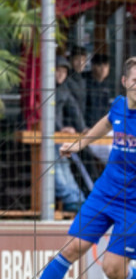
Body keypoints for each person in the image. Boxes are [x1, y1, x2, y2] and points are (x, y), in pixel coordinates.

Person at [11, 56, 136, 279]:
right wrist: (79, 144)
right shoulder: (118, 105)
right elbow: (106, 123)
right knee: (73, 247)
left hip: (133, 205)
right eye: (135, 81)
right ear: (125, 82)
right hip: (104, 194)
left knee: (113, 269)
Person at [54, 56, 88, 212]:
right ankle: (70, 198)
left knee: (64, 164)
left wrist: (83, 128)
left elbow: (74, 109)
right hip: (45, 136)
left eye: (64, 71)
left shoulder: (64, 89)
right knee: (56, 164)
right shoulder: (44, 87)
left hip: (58, 137)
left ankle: (77, 197)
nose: (61, 74)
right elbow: (48, 114)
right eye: (57, 70)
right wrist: (60, 129)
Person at [84, 53, 114, 164]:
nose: (103, 69)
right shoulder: (85, 83)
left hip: (106, 129)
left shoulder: (107, 85)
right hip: (89, 130)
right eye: (100, 65)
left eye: (106, 66)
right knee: (111, 151)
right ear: (93, 66)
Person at [64, 46, 89, 123]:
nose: (80, 63)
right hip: (68, 124)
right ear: (71, 60)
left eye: (83, 60)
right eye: (77, 59)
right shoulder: (66, 79)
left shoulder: (84, 79)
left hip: (81, 122)